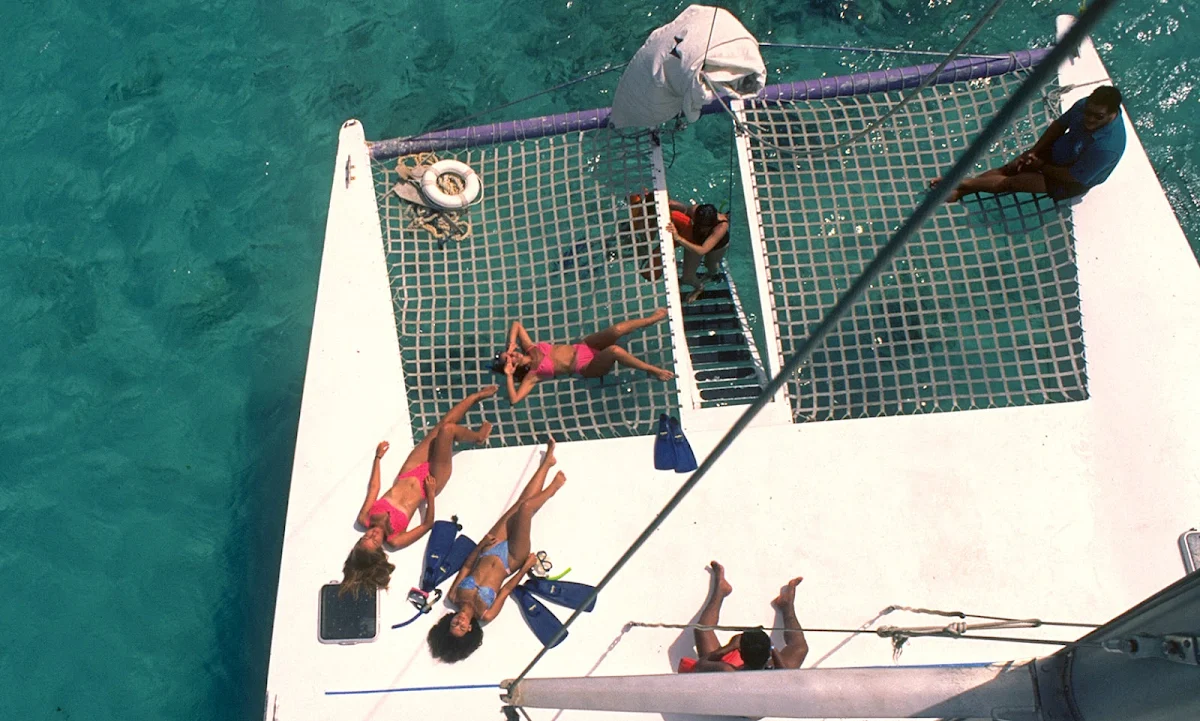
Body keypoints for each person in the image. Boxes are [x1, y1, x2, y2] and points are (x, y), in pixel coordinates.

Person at [339, 386, 497, 598]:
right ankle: (477, 437)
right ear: (379, 549)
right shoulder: (395, 539)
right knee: (447, 431)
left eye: (367, 536)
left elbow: (374, 488)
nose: (374, 533)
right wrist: (431, 494)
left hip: (409, 471)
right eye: (375, 540)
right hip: (430, 482)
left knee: (442, 426)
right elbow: (427, 525)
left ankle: (475, 397)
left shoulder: (365, 518)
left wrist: (377, 459)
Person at [428, 439, 566, 662]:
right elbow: (506, 588)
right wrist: (525, 568)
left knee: (520, 504)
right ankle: (553, 488)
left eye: (454, 624)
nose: (459, 622)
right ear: (470, 630)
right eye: (462, 628)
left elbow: (465, 567)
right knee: (525, 510)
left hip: (489, 549)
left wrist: (481, 546)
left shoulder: (454, 596)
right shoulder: (486, 613)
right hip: (511, 558)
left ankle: (547, 463)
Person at [933, 85, 1126, 203]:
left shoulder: (1106, 148)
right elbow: (1059, 126)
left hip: (1071, 180)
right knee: (1012, 167)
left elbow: (1073, 177)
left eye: (1097, 117)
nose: (1089, 119)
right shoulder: (1085, 105)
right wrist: (1034, 152)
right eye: (1088, 112)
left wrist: (1040, 166)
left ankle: (958, 184)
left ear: (1112, 113)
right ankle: (959, 192)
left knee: (1012, 182)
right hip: (1063, 150)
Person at [491, 310, 675, 406]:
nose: (512, 354)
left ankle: (651, 319)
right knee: (614, 351)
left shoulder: (529, 347)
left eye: (509, 353)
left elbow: (516, 324)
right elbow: (514, 399)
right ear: (512, 367)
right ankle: (652, 370)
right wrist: (508, 376)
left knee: (616, 330)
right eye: (509, 359)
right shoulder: (533, 375)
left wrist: (511, 344)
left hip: (586, 346)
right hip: (587, 366)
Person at [678, 561, 809, 673]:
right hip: (766, 673)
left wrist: (730, 647)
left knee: (702, 630)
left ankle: (721, 591)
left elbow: (701, 664)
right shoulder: (777, 676)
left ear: (739, 652)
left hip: (736, 677)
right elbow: (784, 672)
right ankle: (787, 606)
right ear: (769, 653)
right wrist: (772, 647)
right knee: (800, 647)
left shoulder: (728, 671)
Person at [665, 200, 731, 302]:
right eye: (698, 224)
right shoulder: (694, 210)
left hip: (718, 245)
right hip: (697, 241)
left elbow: (702, 250)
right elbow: (685, 211)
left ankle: (710, 276)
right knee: (687, 277)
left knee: (710, 264)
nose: (701, 228)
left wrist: (678, 238)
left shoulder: (721, 226)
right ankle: (699, 287)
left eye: (704, 227)